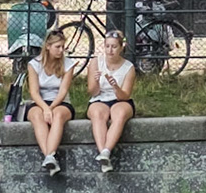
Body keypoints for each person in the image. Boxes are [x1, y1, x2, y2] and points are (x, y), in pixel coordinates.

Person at [24, 30, 76, 175]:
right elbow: (33, 91)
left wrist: (51, 108)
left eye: (62, 47)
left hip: (60, 102)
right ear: (48, 46)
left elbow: (63, 90)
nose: (61, 50)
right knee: (36, 116)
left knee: (58, 115)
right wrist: (45, 108)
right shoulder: (34, 64)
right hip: (40, 101)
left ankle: (49, 156)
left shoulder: (68, 64)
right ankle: (50, 157)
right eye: (57, 47)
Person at [85, 30, 137, 173]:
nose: (110, 50)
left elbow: (124, 96)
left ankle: (107, 151)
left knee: (119, 114)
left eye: (114, 47)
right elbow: (92, 91)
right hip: (99, 98)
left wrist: (115, 86)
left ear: (121, 48)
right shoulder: (96, 62)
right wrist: (96, 81)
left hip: (119, 99)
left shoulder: (129, 67)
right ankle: (103, 154)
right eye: (107, 46)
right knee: (98, 114)